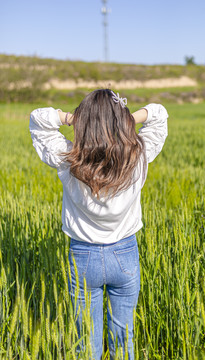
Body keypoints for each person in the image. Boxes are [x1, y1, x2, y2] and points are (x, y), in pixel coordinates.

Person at [29, 89, 168, 359]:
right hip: (125, 254)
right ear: (122, 120)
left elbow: (38, 119)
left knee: (85, 342)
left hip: (83, 257)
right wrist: (124, 118)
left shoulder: (68, 157)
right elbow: (159, 114)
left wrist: (73, 118)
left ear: (84, 122)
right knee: (123, 337)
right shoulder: (137, 156)